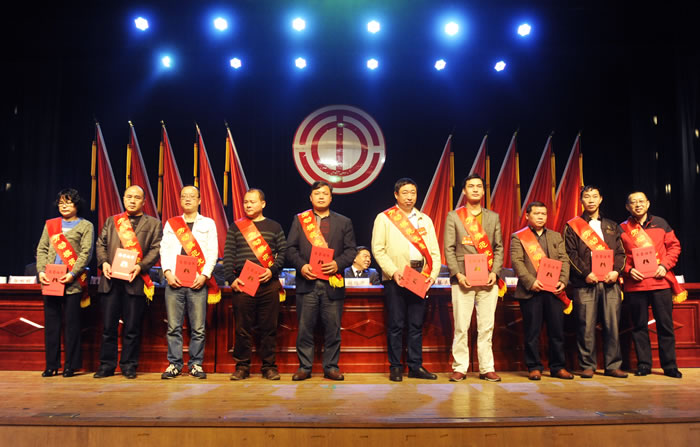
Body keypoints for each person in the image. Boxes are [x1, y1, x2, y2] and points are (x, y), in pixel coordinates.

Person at [371, 178, 441, 382]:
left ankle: (415, 366)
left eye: (413, 193)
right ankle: (395, 367)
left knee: (416, 324)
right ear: (396, 195)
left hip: (420, 278)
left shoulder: (425, 220)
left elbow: (435, 253)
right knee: (396, 324)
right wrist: (393, 271)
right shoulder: (384, 218)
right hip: (396, 278)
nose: (409, 197)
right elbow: (378, 249)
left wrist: (431, 276)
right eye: (405, 193)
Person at [287, 181, 356, 381]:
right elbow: (290, 249)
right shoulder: (300, 220)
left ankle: (331, 367)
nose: (321, 197)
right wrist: (302, 266)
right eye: (317, 193)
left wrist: (337, 264)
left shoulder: (344, 222)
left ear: (331, 197)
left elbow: (351, 251)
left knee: (333, 330)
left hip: (332, 283)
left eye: (325, 193)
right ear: (311, 197)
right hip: (307, 283)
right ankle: (304, 367)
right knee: (305, 329)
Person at [94, 185, 162, 379]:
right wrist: (104, 262)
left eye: (137, 197)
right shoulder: (112, 221)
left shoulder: (153, 224)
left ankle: (129, 365)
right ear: (123, 199)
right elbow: (101, 244)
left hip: (135, 281)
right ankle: (106, 366)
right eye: (129, 197)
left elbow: (156, 249)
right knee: (108, 327)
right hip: (111, 281)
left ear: (144, 201)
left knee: (132, 327)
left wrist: (140, 266)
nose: (132, 200)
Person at [443, 174, 504, 382]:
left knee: (486, 326)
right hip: (463, 279)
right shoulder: (454, 216)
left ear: (484, 191)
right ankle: (460, 367)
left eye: (479, 186)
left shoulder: (493, 217)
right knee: (461, 326)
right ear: (464, 190)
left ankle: (487, 368)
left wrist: (495, 272)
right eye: (471, 186)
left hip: (488, 279)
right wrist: (457, 274)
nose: (476, 189)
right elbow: (449, 249)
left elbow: (498, 248)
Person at [564, 185, 627, 378]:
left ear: (600, 199)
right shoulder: (572, 226)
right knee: (585, 325)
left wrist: (616, 271)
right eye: (586, 197)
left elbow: (621, 253)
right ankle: (587, 365)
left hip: (610, 282)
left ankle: (612, 365)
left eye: (594, 196)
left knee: (612, 325)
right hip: (585, 283)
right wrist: (585, 273)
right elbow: (570, 254)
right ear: (581, 201)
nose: (591, 200)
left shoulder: (612, 225)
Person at [224, 189, 287, 381]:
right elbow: (228, 255)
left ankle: (269, 367)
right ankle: (242, 367)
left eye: (252, 201)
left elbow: (283, 253)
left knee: (269, 328)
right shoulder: (236, 227)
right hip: (244, 283)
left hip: (268, 284)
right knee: (242, 328)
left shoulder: (274, 227)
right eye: (246, 202)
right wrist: (231, 279)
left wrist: (272, 270)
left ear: (263, 204)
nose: (248, 205)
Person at [620, 192, 684, 378]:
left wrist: (665, 266)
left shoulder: (661, 223)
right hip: (635, 284)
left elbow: (674, 247)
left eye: (641, 201)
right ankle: (644, 364)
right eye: (633, 202)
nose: (638, 205)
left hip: (660, 282)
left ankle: (670, 366)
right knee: (639, 326)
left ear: (648, 204)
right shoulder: (622, 228)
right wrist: (628, 270)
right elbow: (617, 255)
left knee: (665, 326)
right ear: (627, 207)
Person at [159, 185, 218, 380]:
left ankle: (195, 364)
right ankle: (174, 364)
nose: (187, 199)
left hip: (197, 282)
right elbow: (164, 250)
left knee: (198, 328)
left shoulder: (208, 223)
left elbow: (213, 252)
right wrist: (167, 273)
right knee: (173, 327)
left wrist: (205, 275)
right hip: (174, 281)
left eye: (192, 196)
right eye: (184, 196)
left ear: (199, 200)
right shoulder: (172, 223)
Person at [511, 202, 573, 380]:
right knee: (532, 332)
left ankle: (557, 367)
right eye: (536, 213)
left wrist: (562, 281)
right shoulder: (518, 237)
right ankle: (534, 366)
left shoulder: (555, 236)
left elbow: (564, 259)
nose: (540, 216)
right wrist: (530, 282)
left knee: (557, 331)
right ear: (527, 216)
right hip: (531, 291)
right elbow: (517, 262)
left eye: (543, 214)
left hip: (554, 291)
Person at [36, 188, 94, 377]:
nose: (64, 206)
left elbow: (86, 252)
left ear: (76, 204)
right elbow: (42, 249)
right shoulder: (51, 225)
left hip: (72, 283)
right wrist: (41, 271)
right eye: (61, 203)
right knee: (52, 326)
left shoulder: (86, 226)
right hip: (51, 281)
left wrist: (73, 273)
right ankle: (51, 365)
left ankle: (71, 365)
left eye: (68, 202)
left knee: (72, 326)